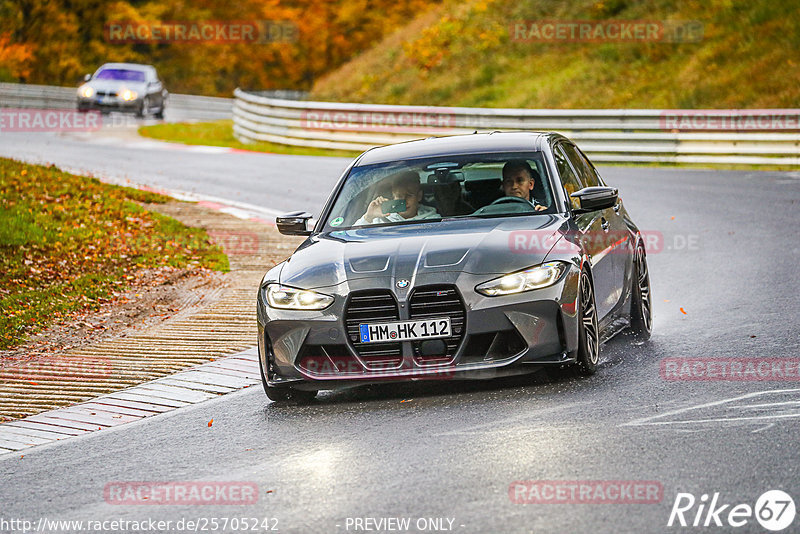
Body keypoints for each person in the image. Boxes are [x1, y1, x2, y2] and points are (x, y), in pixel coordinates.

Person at [355, 171, 440, 225]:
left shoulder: (433, 220)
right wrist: (369, 216)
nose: (404, 201)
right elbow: (353, 238)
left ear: (419, 196)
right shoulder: (381, 219)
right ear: (393, 196)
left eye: (409, 195)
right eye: (399, 196)